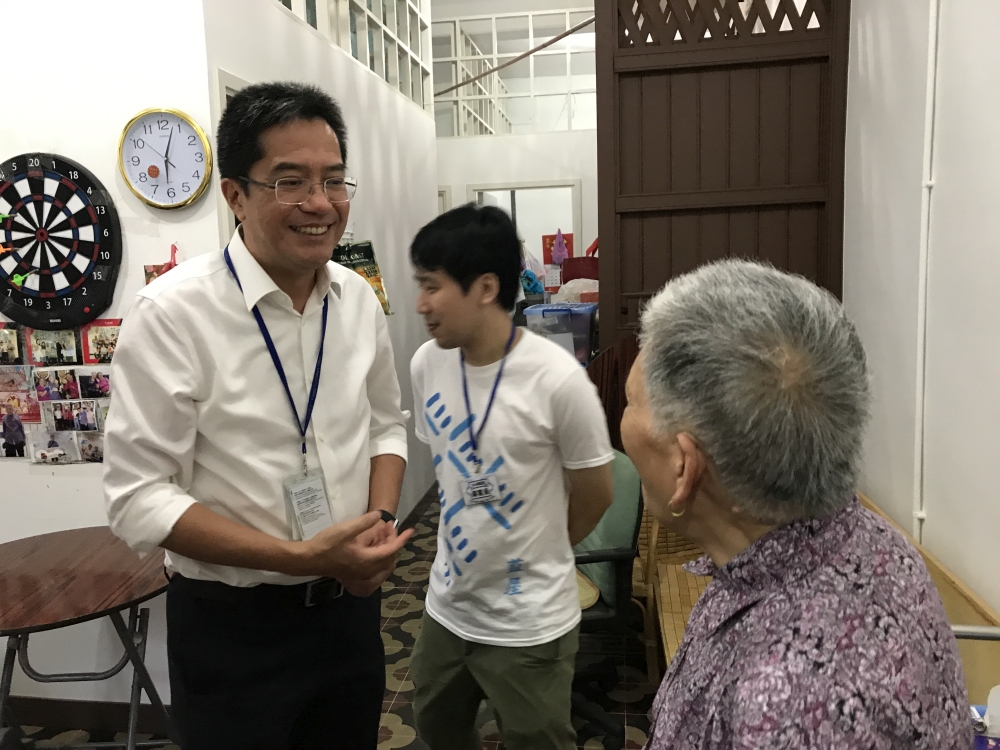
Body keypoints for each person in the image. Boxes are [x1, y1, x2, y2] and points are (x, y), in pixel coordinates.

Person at [104, 82, 412, 750]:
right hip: (232, 630)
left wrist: (378, 526)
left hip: (349, 614)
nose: (319, 203)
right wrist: (299, 556)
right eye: (290, 181)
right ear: (236, 195)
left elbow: (388, 422)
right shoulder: (172, 314)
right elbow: (138, 499)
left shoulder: (357, 298)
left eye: (334, 180)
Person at [621, 260, 971, 749]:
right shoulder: (856, 541)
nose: (623, 421)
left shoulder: (788, 709)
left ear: (684, 467)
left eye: (629, 400)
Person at [408, 204, 615, 750]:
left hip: (529, 622)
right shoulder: (427, 363)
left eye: (432, 286)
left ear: (485, 287)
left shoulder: (558, 381)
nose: (420, 304)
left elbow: (597, 494)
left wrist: (537, 549)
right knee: (436, 730)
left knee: (538, 741)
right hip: (446, 608)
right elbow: (451, 475)